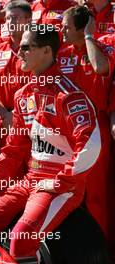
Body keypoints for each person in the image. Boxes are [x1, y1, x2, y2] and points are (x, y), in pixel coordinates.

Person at [0, 24, 101, 263]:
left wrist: (58, 182)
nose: (19, 52)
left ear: (47, 51)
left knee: (21, 239)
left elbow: (91, 146)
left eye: (26, 47)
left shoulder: (70, 95)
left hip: (62, 186)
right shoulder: (22, 95)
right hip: (30, 179)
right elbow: (13, 150)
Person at [58, 5, 115, 238]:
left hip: (95, 130)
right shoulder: (62, 55)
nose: (62, 32)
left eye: (66, 27)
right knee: (67, 194)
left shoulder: (104, 47)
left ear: (82, 30)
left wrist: (90, 37)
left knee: (96, 196)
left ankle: (100, 253)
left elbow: (101, 68)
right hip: (66, 131)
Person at [0, 0, 32, 150]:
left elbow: (40, 83)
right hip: (4, 118)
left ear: (28, 20)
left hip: (30, 118)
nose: (10, 22)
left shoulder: (37, 48)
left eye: (15, 17)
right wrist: (4, 114)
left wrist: (16, 113)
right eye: (7, 18)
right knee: (4, 164)